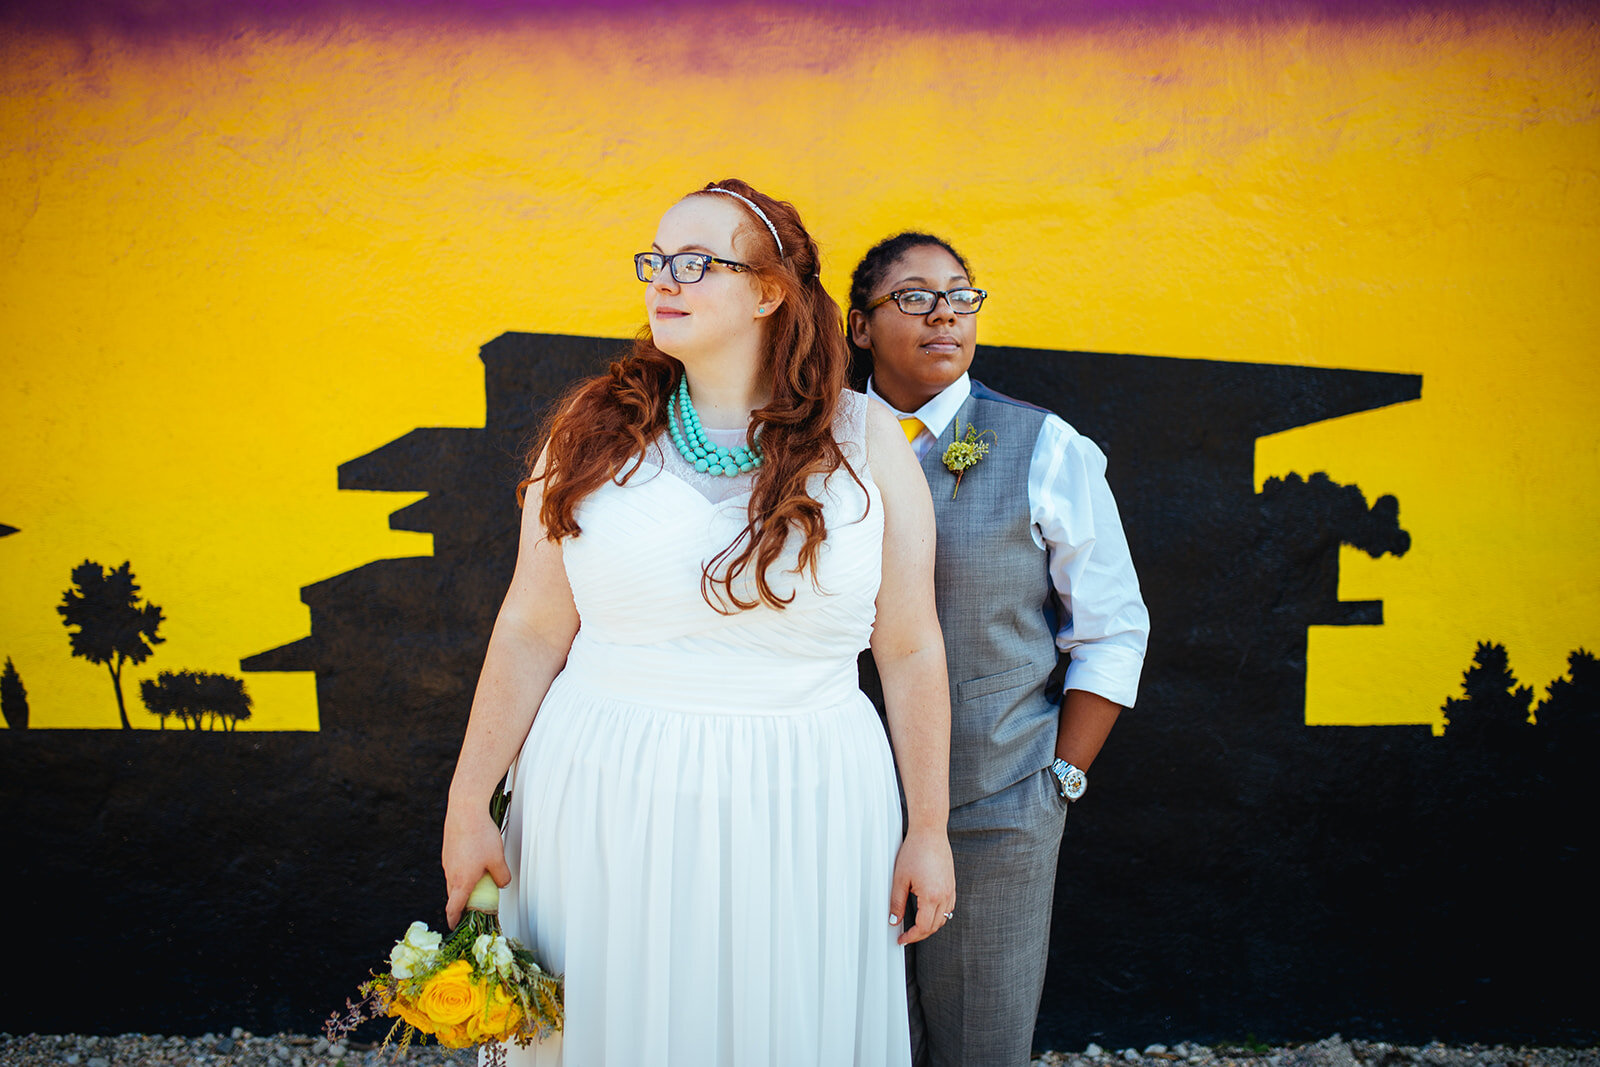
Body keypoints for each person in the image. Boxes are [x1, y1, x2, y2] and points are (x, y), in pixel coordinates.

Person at [440, 182, 957, 1066]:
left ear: (768, 292)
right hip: (601, 799)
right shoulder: (592, 431)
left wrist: (929, 828)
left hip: (808, 802)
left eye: (695, 263)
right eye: (654, 262)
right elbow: (530, 627)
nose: (662, 281)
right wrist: (467, 800)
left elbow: (908, 647)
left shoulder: (867, 441)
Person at [848, 233, 1149, 1067]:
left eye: (961, 294)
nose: (944, 312)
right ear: (861, 326)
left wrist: (1059, 781)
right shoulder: (818, 445)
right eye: (913, 296)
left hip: (999, 802)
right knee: (853, 1039)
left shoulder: (1044, 446)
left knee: (982, 1041)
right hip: (842, 803)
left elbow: (1114, 625)